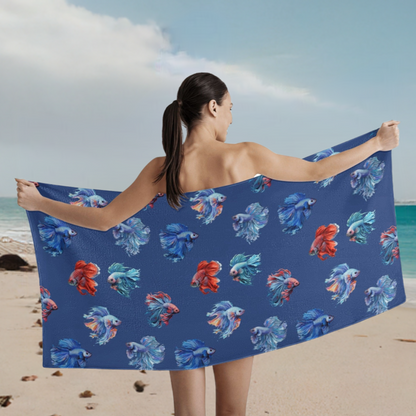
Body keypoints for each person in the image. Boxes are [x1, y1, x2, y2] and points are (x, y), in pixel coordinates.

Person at [15, 72, 400, 416]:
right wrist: (376, 143)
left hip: (180, 300)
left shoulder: (162, 168)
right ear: (213, 107)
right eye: (231, 108)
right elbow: (317, 173)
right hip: (236, 300)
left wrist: (40, 203)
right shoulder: (245, 155)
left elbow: (102, 221)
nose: (232, 118)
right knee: (233, 410)